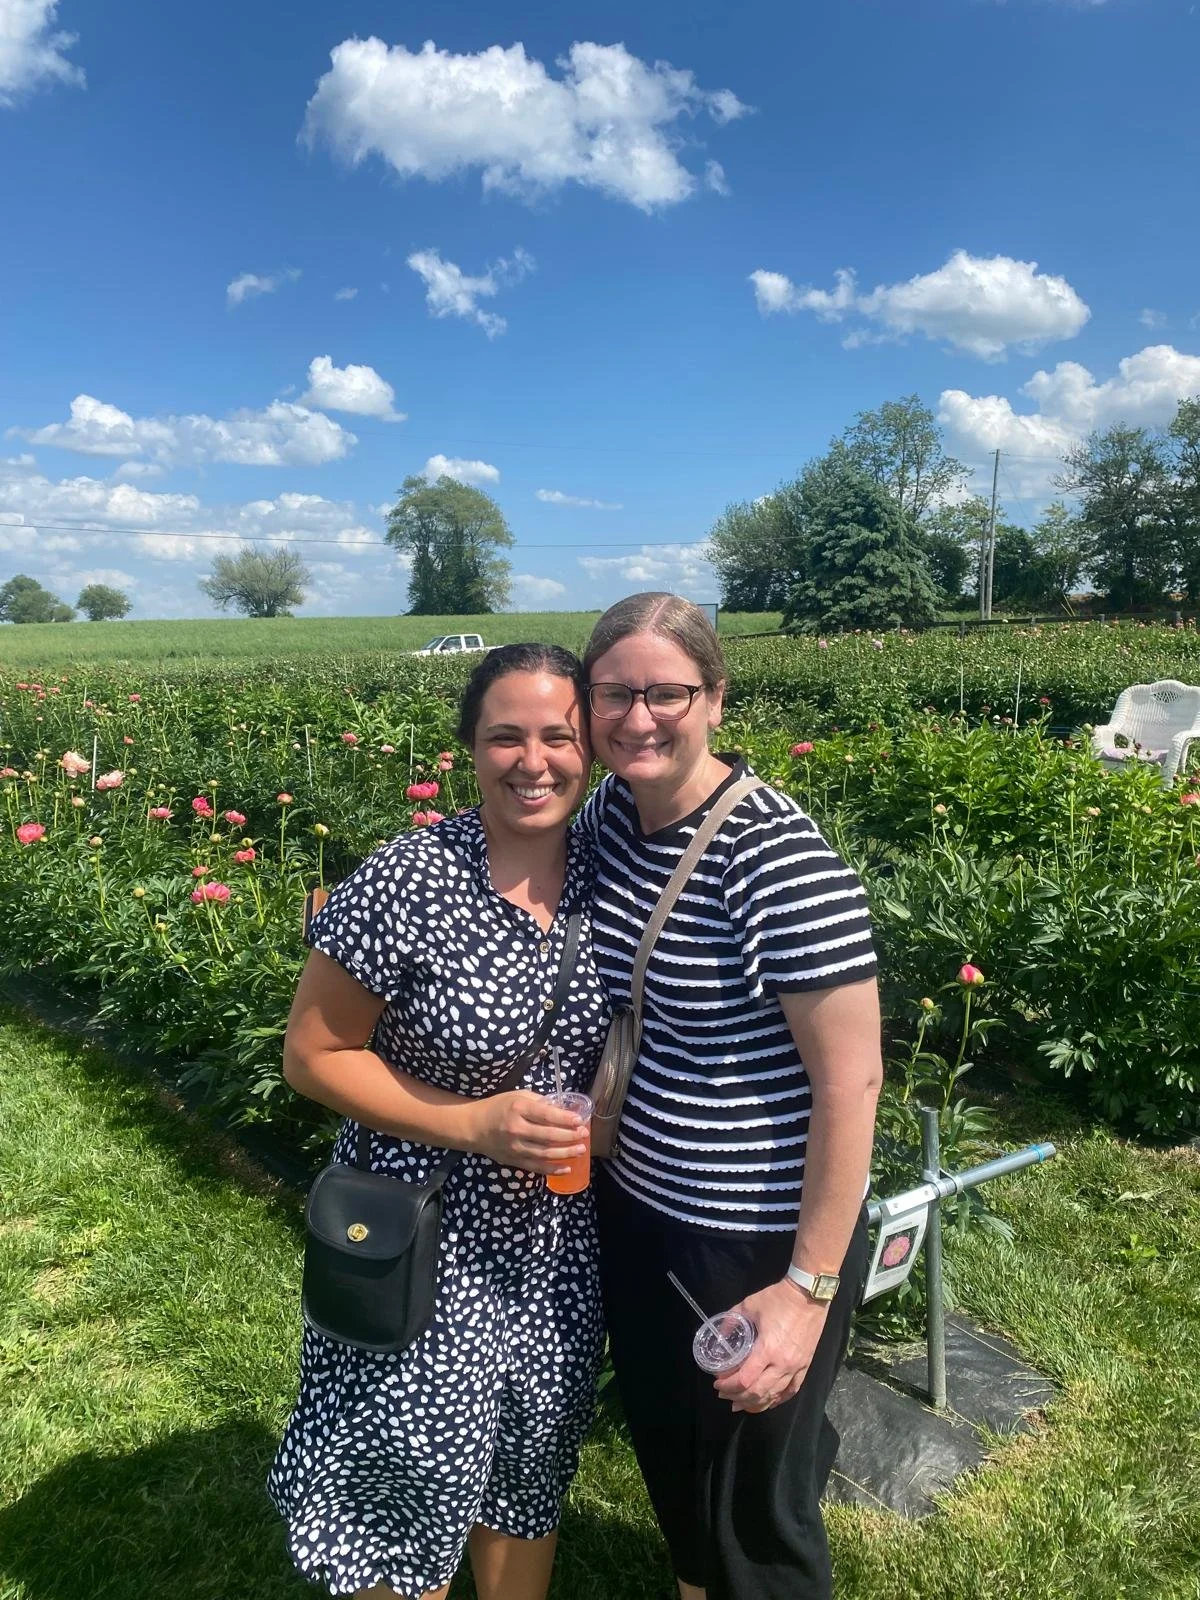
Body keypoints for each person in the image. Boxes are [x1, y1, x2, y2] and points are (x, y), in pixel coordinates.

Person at [269, 643, 610, 1600]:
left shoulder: (609, 868)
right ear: (469, 747)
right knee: (403, 1473)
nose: (533, 761)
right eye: (506, 736)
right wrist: (475, 1126)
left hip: (553, 1240)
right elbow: (312, 1055)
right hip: (420, 1226)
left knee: (529, 1463)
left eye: (559, 736)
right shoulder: (410, 879)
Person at [579, 594, 883, 1600]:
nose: (637, 717)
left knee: (758, 1508)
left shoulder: (776, 860)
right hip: (636, 1207)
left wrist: (807, 1291)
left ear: (714, 696)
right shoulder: (610, 816)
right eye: (615, 692)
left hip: (750, 1236)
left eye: (666, 692)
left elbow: (852, 1083)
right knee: (673, 1453)